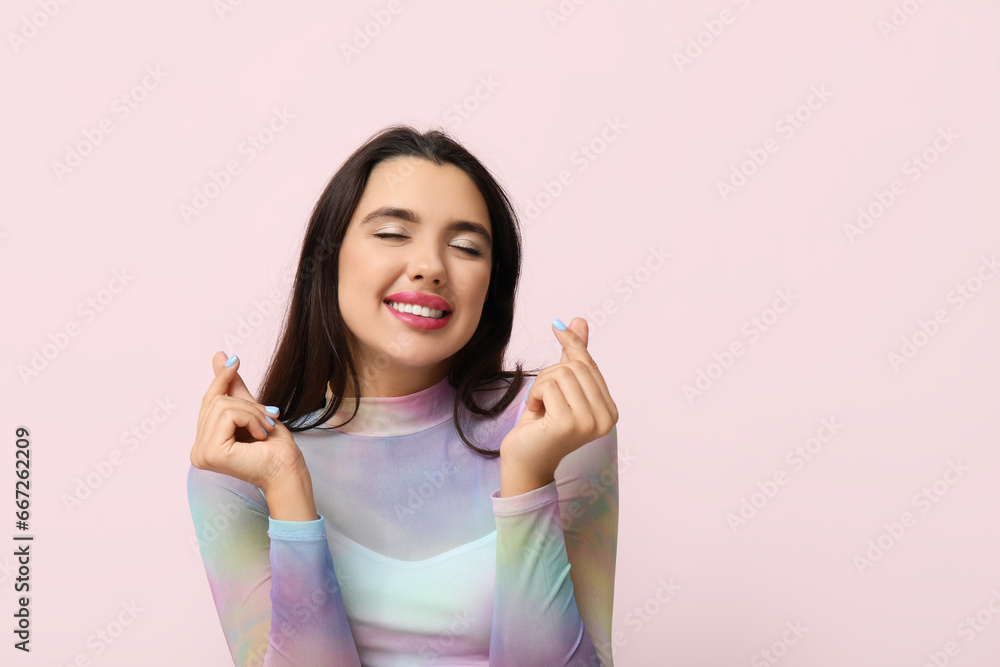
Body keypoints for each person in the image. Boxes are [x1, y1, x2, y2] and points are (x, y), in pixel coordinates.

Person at [186, 125, 620, 666]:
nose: (431, 267)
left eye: (465, 247)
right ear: (330, 256)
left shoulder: (552, 427)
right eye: (392, 233)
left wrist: (528, 481)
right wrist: (289, 495)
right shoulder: (244, 465)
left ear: (492, 286)